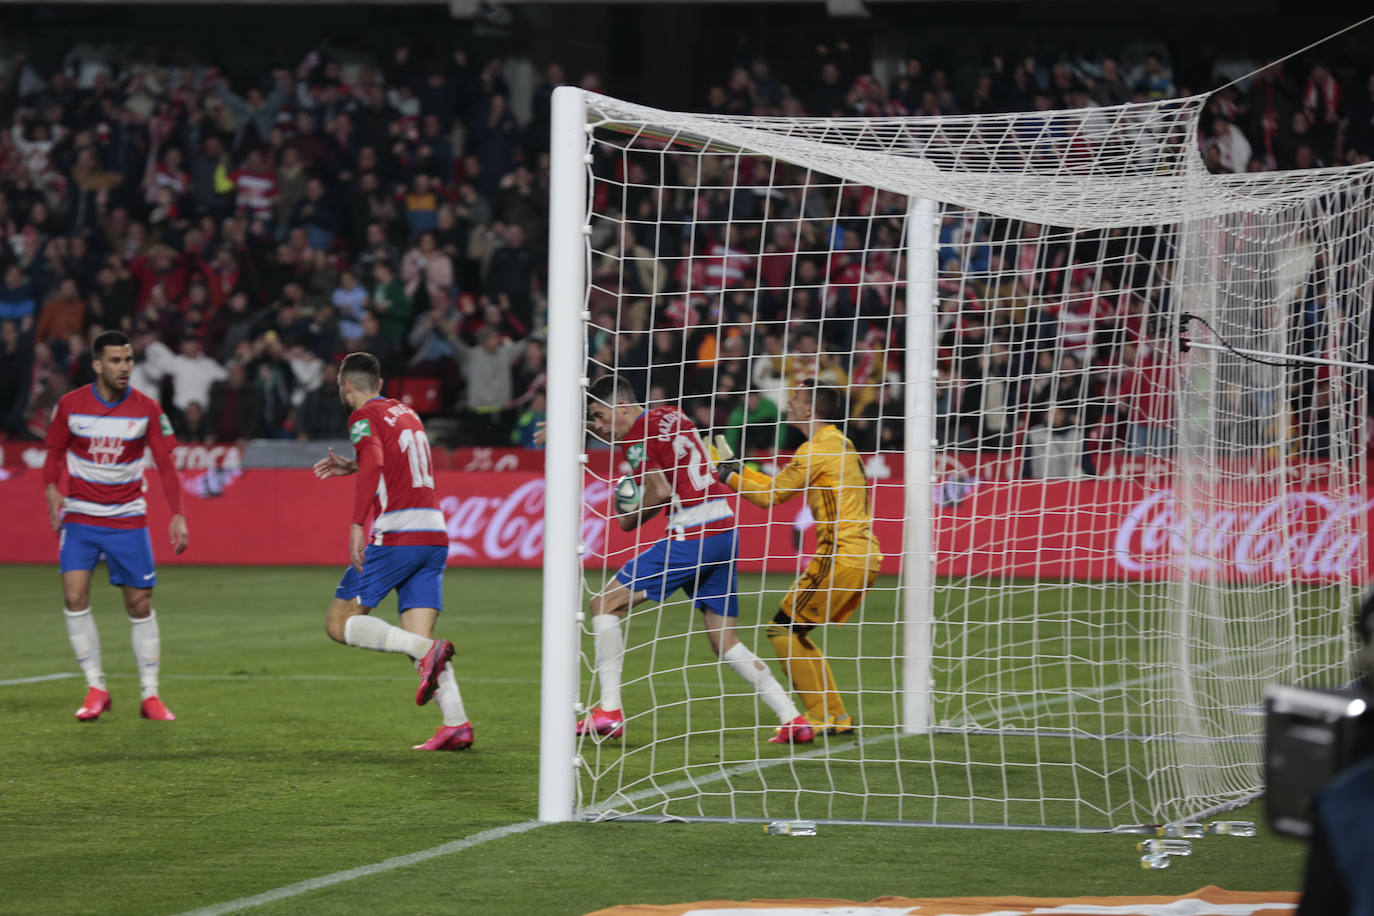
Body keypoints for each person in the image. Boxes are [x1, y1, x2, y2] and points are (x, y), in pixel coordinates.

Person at [577, 373, 811, 744]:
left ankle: (609, 711)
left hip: (692, 533)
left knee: (603, 604)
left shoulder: (636, 438)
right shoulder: (672, 414)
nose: (600, 426)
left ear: (621, 407)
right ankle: (792, 717)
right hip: (724, 528)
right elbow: (660, 455)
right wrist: (597, 430)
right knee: (724, 641)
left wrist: (627, 518)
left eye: (600, 417)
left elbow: (659, 491)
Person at [311, 352, 473, 751]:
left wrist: (357, 524)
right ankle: (456, 723)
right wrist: (354, 465)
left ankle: (427, 651)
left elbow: (374, 462)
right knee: (417, 634)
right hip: (433, 535)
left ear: (346, 385)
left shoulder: (362, 416)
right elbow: (391, 461)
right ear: (380, 384)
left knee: (339, 623)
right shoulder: (406, 412)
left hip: (398, 535)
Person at [714, 379, 882, 735]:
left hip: (840, 554)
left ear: (808, 409)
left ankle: (820, 717)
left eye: (795, 398)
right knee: (795, 631)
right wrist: (736, 469)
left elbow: (769, 498)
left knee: (781, 630)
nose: (789, 402)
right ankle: (836, 717)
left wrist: (727, 477)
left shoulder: (814, 449)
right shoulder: (838, 442)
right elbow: (775, 487)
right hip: (863, 554)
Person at [42, 329, 190, 722]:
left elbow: (166, 464)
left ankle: (150, 695)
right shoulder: (70, 405)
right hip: (80, 517)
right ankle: (96, 688)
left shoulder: (147, 409)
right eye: (115, 360)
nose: (124, 367)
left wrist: (177, 513)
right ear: (97, 365)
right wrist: (51, 489)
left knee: (140, 604)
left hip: (127, 518)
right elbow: (54, 453)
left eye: (128, 360)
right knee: (74, 597)